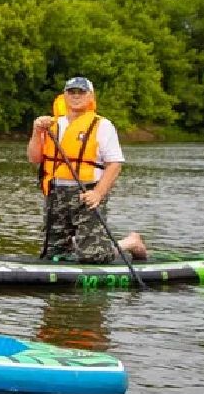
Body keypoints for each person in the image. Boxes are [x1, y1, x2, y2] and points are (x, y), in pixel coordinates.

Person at [27, 76, 147, 263]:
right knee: (53, 256)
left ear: (91, 96)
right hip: (56, 194)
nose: (76, 95)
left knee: (93, 257)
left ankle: (130, 242)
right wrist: (36, 131)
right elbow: (34, 158)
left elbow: (114, 164)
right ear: (64, 96)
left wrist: (98, 193)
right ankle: (82, 243)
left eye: (81, 92)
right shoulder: (51, 125)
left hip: (87, 193)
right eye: (71, 92)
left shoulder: (102, 125)